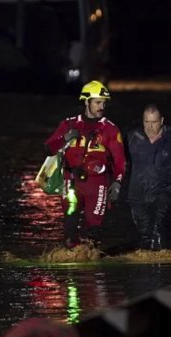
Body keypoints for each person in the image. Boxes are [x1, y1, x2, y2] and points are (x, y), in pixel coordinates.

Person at [44, 81, 126, 248]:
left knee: (93, 231)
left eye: (104, 102)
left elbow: (120, 160)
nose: (102, 106)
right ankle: (71, 263)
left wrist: (117, 183)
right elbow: (49, 149)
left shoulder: (111, 129)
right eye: (97, 102)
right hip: (71, 182)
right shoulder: (68, 124)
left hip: (97, 184)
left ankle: (92, 266)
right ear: (86, 101)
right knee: (70, 226)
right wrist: (64, 138)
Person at [125, 104, 171, 250]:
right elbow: (119, 164)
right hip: (138, 194)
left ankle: (160, 267)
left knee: (157, 230)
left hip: (163, 192)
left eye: (154, 122)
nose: (149, 127)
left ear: (161, 121)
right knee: (144, 234)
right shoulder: (132, 138)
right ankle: (145, 267)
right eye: (146, 122)